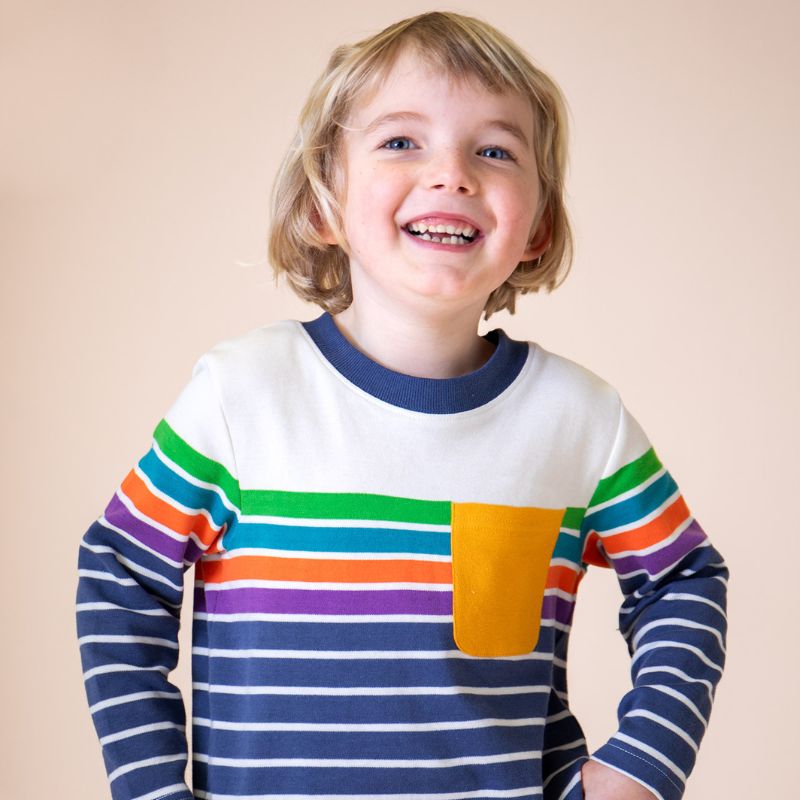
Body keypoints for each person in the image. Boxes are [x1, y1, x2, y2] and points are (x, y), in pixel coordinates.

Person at [76, 11, 728, 800]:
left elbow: (684, 577)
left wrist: (640, 769)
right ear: (323, 203)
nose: (451, 173)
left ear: (538, 229)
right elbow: (119, 579)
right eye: (399, 141)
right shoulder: (240, 394)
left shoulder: (579, 417)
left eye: (494, 149)